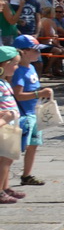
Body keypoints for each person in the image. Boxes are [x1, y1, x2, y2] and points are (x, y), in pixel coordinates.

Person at [8, 36, 52, 182]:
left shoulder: (31, 67)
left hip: (34, 112)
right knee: (13, 150)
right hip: (23, 115)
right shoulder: (18, 71)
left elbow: (34, 88)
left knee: (33, 145)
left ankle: (26, 175)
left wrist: (42, 95)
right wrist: (39, 93)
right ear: (24, 52)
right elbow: (18, 95)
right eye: (35, 50)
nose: (39, 53)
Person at [0, 46, 21, 203]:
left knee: (8, 158)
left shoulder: (4, 82)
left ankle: (5, 187)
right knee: (4, 159)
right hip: (4, 126)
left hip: (10, 125)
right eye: (14, 63)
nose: (16, 67)